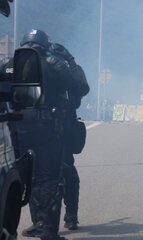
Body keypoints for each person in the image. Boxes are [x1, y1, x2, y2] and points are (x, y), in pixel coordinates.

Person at [15, 29, 74, 240]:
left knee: (20, 178)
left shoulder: (8, 63)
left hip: (16, 131)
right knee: (47, 179)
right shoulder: (54, 64)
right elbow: (76, 86)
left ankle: (17, 225)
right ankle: (47, 230)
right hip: (47, 128)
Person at [50, 42, 89, 230]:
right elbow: (82, 88)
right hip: (49, 132)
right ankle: (65, 218)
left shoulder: (59, 71)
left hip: (54, 132)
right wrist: (71, 61)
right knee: (65, 175)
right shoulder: (62, 70)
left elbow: (82, 88)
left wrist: (71, 62)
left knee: (66, 174)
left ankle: (67, 218)